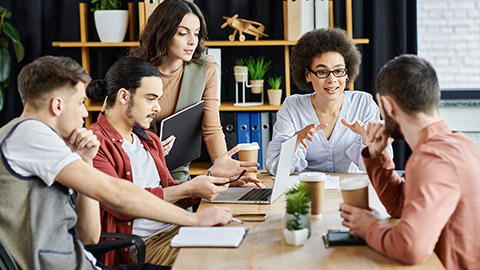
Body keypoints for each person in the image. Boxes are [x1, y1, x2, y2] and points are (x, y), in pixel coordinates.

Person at [0, 55, 234, 270]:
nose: (84, 113)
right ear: (58, 105)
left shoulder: (45, 143)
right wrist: (194, 219)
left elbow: (89, 237)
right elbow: (117, 194)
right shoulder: (28, 133)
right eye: (81, 102)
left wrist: (86, 161)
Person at [86, 56, 260, 267]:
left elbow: (170, 191)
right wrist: (191, 188)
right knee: (223, 261)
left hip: (176, 231)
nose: (157, 107)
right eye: (151, 98)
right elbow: (122, 206)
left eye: (158, 99)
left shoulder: (148, 140)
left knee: (250, 242)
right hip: (142, 245)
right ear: (123, 96)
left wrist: (214, 178)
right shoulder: (93, 144)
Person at [339, 55, 480, 269]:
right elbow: (400, 207)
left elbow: (410, 247)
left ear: (387, 104)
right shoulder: (459, 142)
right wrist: (377, 156)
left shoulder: (431, 159)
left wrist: (370, 228)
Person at [265, 28, 392, 174]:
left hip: (350, 191)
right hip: (306, 192)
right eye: (322, 72)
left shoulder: (363, 103)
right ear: (308, 75)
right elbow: (275, 167)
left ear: (347, 73)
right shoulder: (292, 107)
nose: (332, 80)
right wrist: (295, 141)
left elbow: (379, 169)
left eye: (338, 71)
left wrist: (368, 142)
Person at [131, 0, 227, 181]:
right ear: (163, 33)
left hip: (177, 174)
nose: (192, 41)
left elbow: (212, 129)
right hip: (137, 170)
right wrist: (148, 147)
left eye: (197, 34)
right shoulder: (133, 70)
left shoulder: (205, 69)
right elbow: (111, 130)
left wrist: (226, 168)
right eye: (183, 33)